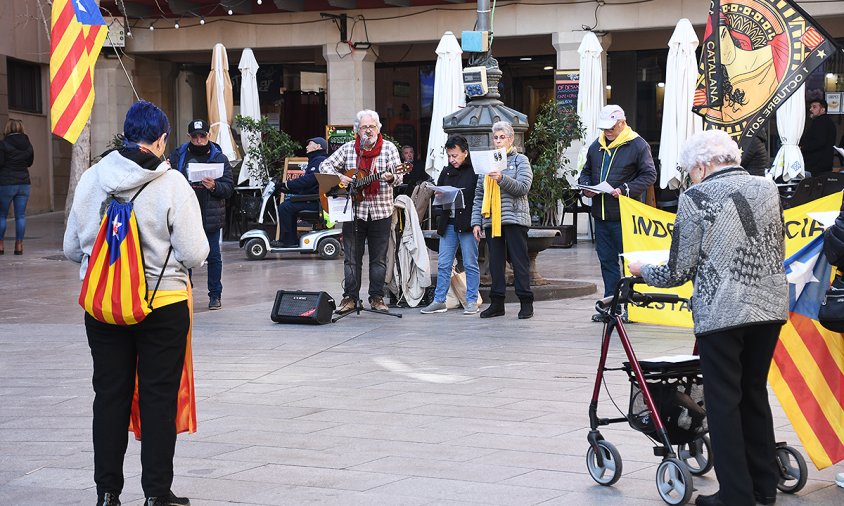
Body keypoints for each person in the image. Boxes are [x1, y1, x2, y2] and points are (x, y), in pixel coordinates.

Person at [629, 129, 787, 506]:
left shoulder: (695, 197)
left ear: (701, 166)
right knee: (753, 393)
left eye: (689, 170)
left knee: (723, 402)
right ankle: (764, 486)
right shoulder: (767, 188)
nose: (690, 176)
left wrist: (641, 269)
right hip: (768, 307)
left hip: (723, 312)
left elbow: (678, 269)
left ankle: (735, 495)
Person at [64, 100, 209, 506]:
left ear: (126, 135)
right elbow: (195, 252)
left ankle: (108, 493)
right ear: (161, 140)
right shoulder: (174, 184)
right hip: (161, 305)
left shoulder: (93, 179)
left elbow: (72, 248)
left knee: (108, 395)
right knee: (157, 398)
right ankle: (156, 495)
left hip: (104, 307)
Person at [319, 109, 403, 313]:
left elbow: (400, 177)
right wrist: (340, 178)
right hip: (354, 212)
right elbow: (324, 165)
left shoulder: (389, 149)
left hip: (381, 211)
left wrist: (392, 178)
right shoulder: (349, 149)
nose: (368, 131)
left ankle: (377, 297)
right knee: (351, 258)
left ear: (378, 128)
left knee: (378, 258)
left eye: (371, 127)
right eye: (364, 127)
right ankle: (350, 298)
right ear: (357, 130)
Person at [578, 104, 656, 321]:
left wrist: (624, 190)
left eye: (611, 128)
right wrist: (586, 186)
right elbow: (586, 172)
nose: (607, 132)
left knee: (631, 264)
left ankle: (634, 308)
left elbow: (649, 175)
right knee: (607, 262)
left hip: (625, 216)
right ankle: (612, 307)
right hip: (601, 216)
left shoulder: (638, 145)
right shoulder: (597, 146)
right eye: (604, 129)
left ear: (622, 123)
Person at [168, 119, 234, 310]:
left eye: (202, 135)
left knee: (213, 256)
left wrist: (214, 186)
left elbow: (229, 189)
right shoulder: (178, 155)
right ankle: (185, 292)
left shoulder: (219, 158)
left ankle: (215, 295)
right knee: (183, 256)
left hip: (210, 216)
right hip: (185, 215)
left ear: (209, 135)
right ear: (189, 136)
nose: (199, 140)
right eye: (195, 136)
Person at [471, 121, 534, 319]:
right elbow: (479, 195)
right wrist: (476, 222)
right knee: (495, 263)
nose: (498, 141)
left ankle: (526, 302)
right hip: (492, 219)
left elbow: (523, 187)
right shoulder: (487, 162)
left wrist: (501, 179)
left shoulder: (520, 160)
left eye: (502, 137)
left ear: (511, 139)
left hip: (514, 218)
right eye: (495, 138)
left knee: (519, 262)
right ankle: (497, 303)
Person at [420, 134, 481, 315]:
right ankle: (439, 300)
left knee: (470, 263)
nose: (451, 159)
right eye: (449, 156)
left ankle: (471, 300)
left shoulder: (475, 172)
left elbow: (478, 197)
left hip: (468, 223)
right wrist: (439, 195)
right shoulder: (446, 171)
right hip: (448, 222)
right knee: (444, 263)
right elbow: (438, 193)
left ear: (465, 153)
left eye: (455, 155)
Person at [275, 137, 327, 247]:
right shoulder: (316, 160)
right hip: (312, 199)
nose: (307, 146)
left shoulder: (319, 160)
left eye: (310, 144)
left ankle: (288, 241)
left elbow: (310, 180)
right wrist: (288, 188)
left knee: (285, 207)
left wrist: (288, 184)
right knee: (288, 205)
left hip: (316, 201)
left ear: (318, 146)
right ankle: (291, 240)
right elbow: (308, 185)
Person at [0, 119, 34, 255]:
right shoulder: (28, 144)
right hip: (24, 183)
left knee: (2, 215)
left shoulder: (3, 144)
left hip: (6, 183)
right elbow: (30, 162)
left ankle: (1, 245)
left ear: (8, 129)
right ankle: (19, 245)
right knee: (20, 216)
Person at [800, 98, 837, 175]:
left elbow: (819, 141)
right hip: (823, 164)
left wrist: (803, 148)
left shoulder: (821, 122)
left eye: (814, 107)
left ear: (823, 109)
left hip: (816, 164)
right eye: (811, 107)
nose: (811, 109)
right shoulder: (828, 122)